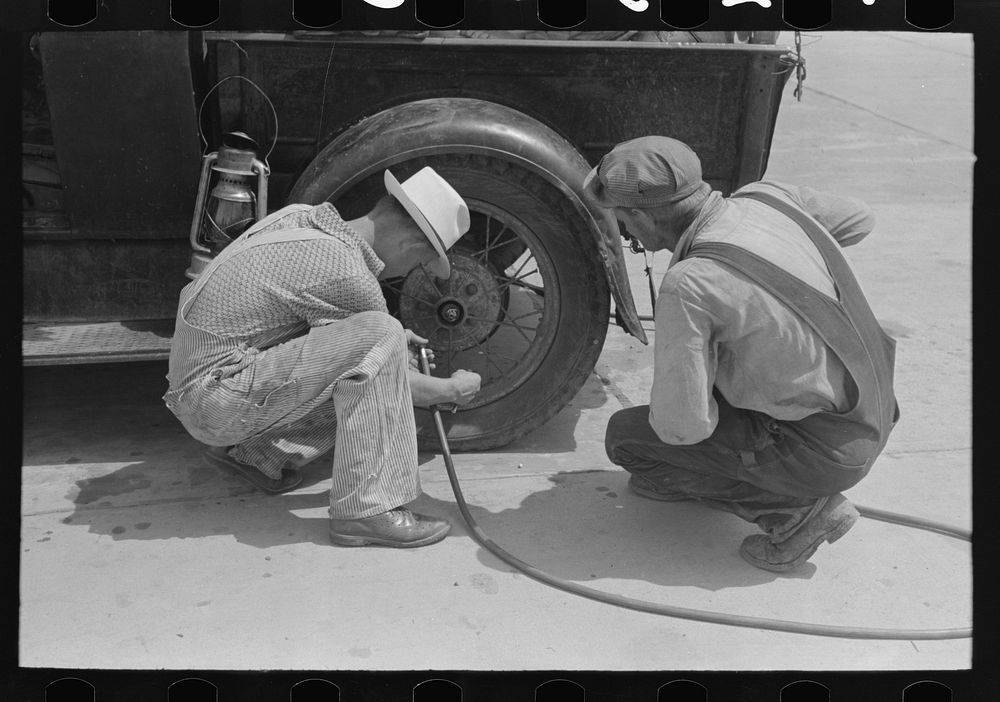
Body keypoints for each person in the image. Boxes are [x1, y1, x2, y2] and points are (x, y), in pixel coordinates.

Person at [584, 136, 899, 572]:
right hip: (873, 413)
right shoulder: (768, 197)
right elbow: (860, 219)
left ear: (642, 215)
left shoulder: (692, 283)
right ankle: (765, 476)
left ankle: (796, 514)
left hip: (821, 452)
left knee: (629, 442)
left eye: (623, 221)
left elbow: (682, 428)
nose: (628, 235)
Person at [163, 166, 482, 549]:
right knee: (383, 334)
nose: (404, 272)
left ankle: (252, 455)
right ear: (411, 248)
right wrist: (451, 388)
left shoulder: (302, 217)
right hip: (214, 404)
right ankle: (367, 510)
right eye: (416, 264)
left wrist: (384, 342)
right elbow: (396, 376)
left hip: (199, 387)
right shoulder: (348, 272)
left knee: (379, 342)